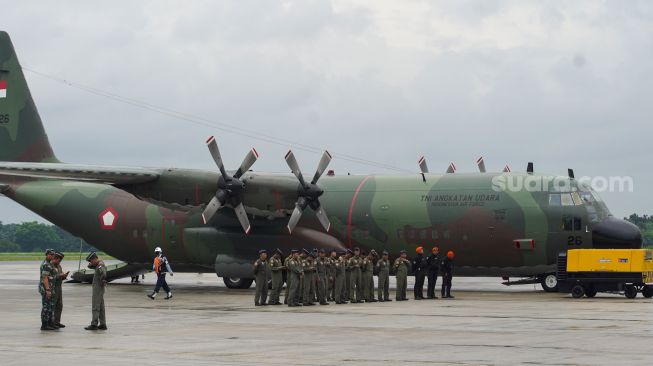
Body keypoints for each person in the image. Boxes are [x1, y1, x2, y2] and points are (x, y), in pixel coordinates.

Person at [85, 252, 107, 330]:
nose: (90, 262)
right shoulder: (98, 264)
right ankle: (103, 324)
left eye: (91, 260)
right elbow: (90, 266)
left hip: (98, 288)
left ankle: (94, 324)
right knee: (101, 306)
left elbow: (103, 274)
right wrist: (92, 263)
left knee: (95, 306)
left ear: (95, 258)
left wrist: (102, 281)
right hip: (99, 288)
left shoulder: (100, 265)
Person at [39, 249, 56, 330]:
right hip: (46, 289)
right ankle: (44, 325)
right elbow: (45, 278)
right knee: (46, 307)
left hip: (50, 287)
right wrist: (48, 290)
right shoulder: (46, 265)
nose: (52, 256)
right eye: (51, 254)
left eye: (53, 255)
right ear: (47, 255)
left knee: (50, 306)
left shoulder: (50, 264)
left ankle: (50, 323)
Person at [52, 251, 69, 328]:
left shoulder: (59, 266)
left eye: (60, 260)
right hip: (53, 288)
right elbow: (50, 278)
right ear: (55, 258)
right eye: (59, 260)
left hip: (59, 288)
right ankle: (51, 322)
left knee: (59, 305)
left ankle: (57, 321)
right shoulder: (50, 266)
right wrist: (59, 275)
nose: (59, 262)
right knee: (53, 306)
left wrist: (64, 276)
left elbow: (60, 277)